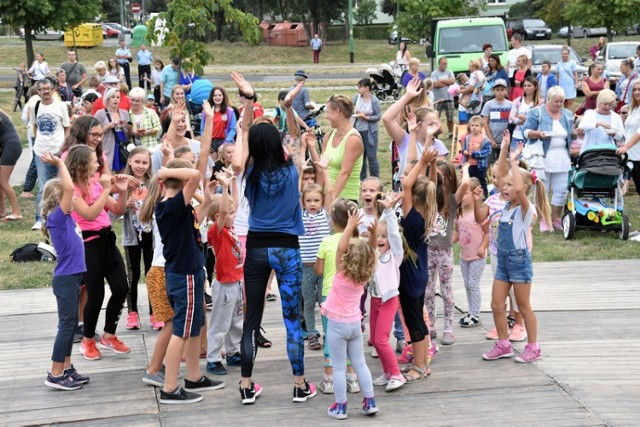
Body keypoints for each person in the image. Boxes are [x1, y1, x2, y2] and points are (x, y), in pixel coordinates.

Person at [230, 73, 316, 405]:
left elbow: (239, 158)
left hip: (256, 247)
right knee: (293, 319)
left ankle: (247, 385)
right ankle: (298, 383)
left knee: (252, 318)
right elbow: (294, 134)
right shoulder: (293, 168)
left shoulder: (250, 171)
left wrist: (249, 104)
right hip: (287, 249)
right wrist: (289, 109)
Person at [149, 157, 223, 404]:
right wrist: (164, 170)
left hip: (188, 273)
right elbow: (194, 173)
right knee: (181, 330)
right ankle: (170, 387)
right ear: (183, 186)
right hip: (185, 276)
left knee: (193, 326)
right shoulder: (170, 206)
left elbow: (198, 219)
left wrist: (209, 198)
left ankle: (194, 376)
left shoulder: (178, 209)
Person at [64, 145, 131, 361]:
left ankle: (109, 335)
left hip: (107, 240)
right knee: (96, 294)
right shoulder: (72, 190)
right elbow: (90, 214)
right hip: (87, 245)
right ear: (83, 164)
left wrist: (121, 191)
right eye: (94, 161)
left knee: (122, 287)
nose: (98, 164)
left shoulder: (95, 183)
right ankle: (88, 339)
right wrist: (105, 190)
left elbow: (118, 210)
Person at [482, 142, 545, 364]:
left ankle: (533, 347)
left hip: (519, 262)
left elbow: (518, 188)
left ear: (524, 189)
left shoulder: (527, 210)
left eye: (510, 184)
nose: (505, 188)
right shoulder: (506, 207)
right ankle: (503, 344)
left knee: (523, 306)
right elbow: (499, 176)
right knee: (497, 304)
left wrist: (515, 162)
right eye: (504, 185)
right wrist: (505, 152)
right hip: (503, 262)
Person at [322, 209, 378, 420]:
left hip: (337, 325)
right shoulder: (364, 276)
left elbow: (340, 248)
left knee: (338, 367)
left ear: (347, 258)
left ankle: (341, 406)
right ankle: (370, 400)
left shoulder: (341, 273)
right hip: (355, 324)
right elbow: (371, 252)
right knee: (360, 364)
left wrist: (349, 226)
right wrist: (371, 234)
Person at [40, 152, 90, 391]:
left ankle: (67, 367)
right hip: (66, 279)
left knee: (70, 325)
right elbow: (69, 187)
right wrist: (60, 162)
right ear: (60, 199)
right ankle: (55, 373)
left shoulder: (68, 218)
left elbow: (73, 188)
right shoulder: (57, 218)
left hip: (74, 277)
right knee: (66, 325)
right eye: (70, 197)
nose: (75, 198)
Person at [398, 146, 439, 382]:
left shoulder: (412, 216)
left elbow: (406, 185)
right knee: (418, 322)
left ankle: (420, 366)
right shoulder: (427, 212)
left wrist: (423, 161)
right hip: (419, 273)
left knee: (414, 323)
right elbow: (427, 186)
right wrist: (430, 166)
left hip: (410, 277)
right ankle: (422, 363)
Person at [204, 170, 245, 376]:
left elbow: (233, 204)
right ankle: (213, 358)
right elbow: (223, 212)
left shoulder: (230, 226)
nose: (234, 214)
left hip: (236, 282)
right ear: (219, 216)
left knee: (236, 321)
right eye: (229, 213)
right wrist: (225, 188)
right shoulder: (216, 231)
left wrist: (233, 183)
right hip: (225, 284)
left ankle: (233, 352)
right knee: (220, 323)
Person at [366, 191, 406, 392]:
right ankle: (388, 372)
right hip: (375, 300)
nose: (381, 239)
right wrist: (382, 212)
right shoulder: (373, 254)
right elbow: (375, 233)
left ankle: (397, 374)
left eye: (384, 237)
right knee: (375, 339)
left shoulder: (394, 255)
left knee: (381, 339)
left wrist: (389, 211)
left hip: (389, 299)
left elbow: (392, 233)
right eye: (378, 237)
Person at [522, 86, 574, 231]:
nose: (559, 105)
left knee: (561, 189)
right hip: (543, 156)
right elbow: (524, 131)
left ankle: (556, 218)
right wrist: (539, 134)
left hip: (562, 156)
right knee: (542, 189)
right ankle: (544, 219)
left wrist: (578, 133)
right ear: (548, 100)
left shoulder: (567, 114)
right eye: (556, 102)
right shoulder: (537, 112)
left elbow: (570, 134)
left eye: (561, 102)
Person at [383, 79, 450, 188]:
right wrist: (407, 97)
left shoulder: (437, 144)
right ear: (418, 125)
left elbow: (439, 174)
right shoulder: (404, 139)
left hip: (427, 191)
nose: (435, 127)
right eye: (430, 124)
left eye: (435, 123)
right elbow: (387, 119)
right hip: (405, 189)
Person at [298, 137, 332, 352]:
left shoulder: (325, 214)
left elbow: (329, 192)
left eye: (315, 201)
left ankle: (330, 333)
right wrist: (301, 171)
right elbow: (295, 193)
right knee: (308, 302)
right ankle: (311, 333)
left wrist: (325, 171)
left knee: (325, 302)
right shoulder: (300, 214)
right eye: (309, 201)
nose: (312, 204)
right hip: (306, 267)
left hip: (325, 267)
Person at [118, 146, 157, 330]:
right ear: (130, 162)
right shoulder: (122, 182)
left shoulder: (154, 183)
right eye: (137, 162)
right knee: (133, 275)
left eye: (144, 162)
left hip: (151, 235)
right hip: (131, 236)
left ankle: (155, 312)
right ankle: (132, 314)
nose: (140, 166)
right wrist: (125, 204)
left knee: (152, 274)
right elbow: (112, 213)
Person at [31, 79, 70, 230]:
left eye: (48, 88)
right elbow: (35, 126)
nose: (45, 91)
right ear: (38, 92)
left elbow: (67, 127)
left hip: (58, 150)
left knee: (60, 183)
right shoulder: (36, 106)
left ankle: (61, 214)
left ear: (53, 89)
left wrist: (63, 145)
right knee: (42, 185)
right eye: (42, 89)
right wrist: (38, 143)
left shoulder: (60, 106)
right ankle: (40, 218)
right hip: (41, 151)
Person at [455, 171, 489, 328]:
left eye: (466, 193)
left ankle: (475, 314)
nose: (462, 196)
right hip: (464, 256)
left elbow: (488, 232)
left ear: (475, 193)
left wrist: (483, 247)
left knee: (473, 284)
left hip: (477, 255)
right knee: (467, 284)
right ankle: (470, 311)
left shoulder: (479, 213)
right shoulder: (459, 213)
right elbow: (457, 232)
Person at [322, 94, 364, 201]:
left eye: (328, 112)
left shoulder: (353, 139)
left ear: (338, 112)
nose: (326, 116)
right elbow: (322, 168)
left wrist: (331, 200)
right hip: (327, 196)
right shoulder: (328, 136)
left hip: (345, 199)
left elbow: (345, 173)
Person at [94, 87, 131, 171]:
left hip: (122, 145)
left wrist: (128, 126)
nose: (115, 100)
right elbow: (94, 132)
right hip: (108, 145)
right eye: (113, 97)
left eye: (118, 97)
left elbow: (128, 132)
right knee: (107, 170)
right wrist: (108, 126)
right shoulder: (100, 113)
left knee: (123, 171)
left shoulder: (124, 113)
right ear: (107, 99)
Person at [353, 78, 382, 180]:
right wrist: (355, 113)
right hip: (357, 129)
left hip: (369, 131)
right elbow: (352, 109)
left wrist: (367, 118)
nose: (359, 89)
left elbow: (378, 116)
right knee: (360, 156)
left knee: (371, 156)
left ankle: (375, 178)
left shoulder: (374, 101)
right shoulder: (356, 98)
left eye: (360, 86)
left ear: (367, 88)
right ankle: (362, 179)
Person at [199, 86, 237, 160]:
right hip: (211, 142)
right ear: (212, 97)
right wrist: (206, 143)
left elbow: (233, 129)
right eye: (215, 95)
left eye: (220, 95)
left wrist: (225, 144)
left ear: (223, 97)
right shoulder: (206, 112)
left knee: (223, 164)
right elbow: (202, 129)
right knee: (212, 165)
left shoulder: (230, 111)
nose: (217, 97)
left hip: (225, 141)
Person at [481, 78, 512, 163]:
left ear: (506, 90)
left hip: (505, 140)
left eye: (502, 90)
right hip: (491, 140)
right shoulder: (488, 104)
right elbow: (485, 122)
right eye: (497, 90)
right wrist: (491, 139)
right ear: (494, 91)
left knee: (504, 164)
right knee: (487, 162)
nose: (500, 92)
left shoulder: (510, 105)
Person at [618, 80, 640, 197]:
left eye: (639, 89)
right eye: (634, 90)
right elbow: (629, 131)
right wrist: (624, 144)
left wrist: (626, 146)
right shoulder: (633, 109)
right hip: (632, 156)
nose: (637, 92)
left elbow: (638, 133)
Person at [0, 109, 23, 220]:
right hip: (6, 145)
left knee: (3, 181)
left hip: (11, 146)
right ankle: (1, 211)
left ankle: (17, 212)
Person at [461, 115, 492, 197]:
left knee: (481, 180)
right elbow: (463, 148)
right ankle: (470, 194)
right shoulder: (467, 138)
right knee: (469, 180)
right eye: (472, 125)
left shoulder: (485, 139)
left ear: (481, 127)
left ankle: (484, 195)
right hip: (469, 164)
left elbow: (487, 151)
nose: (474, 127)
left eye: (476, 125)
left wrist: (474, 154)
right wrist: (464, 151)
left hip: (480, 165)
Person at [510, 76, 542, 148]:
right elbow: (511, 119)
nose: (526, 88)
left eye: (529, 86)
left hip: (533, 138)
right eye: (525, 86)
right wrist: (521, 121)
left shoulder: (541, 103)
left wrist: (523, 117)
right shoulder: (517, 101)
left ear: (535, 87)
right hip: (517, 137)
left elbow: (540, 120)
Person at [431, 57, 456, 138]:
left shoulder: (450, 72)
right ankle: (435, 134)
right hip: (438, 99)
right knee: (435, 117)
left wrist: (441, 81)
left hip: (449, 98)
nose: (445, 65)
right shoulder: (434, 73)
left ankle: (451, 133)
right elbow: (435, 84)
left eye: (446, 64)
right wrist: (447, 82)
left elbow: (452, 81)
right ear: (439, 64)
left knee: (450, 117)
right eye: (443, 64)